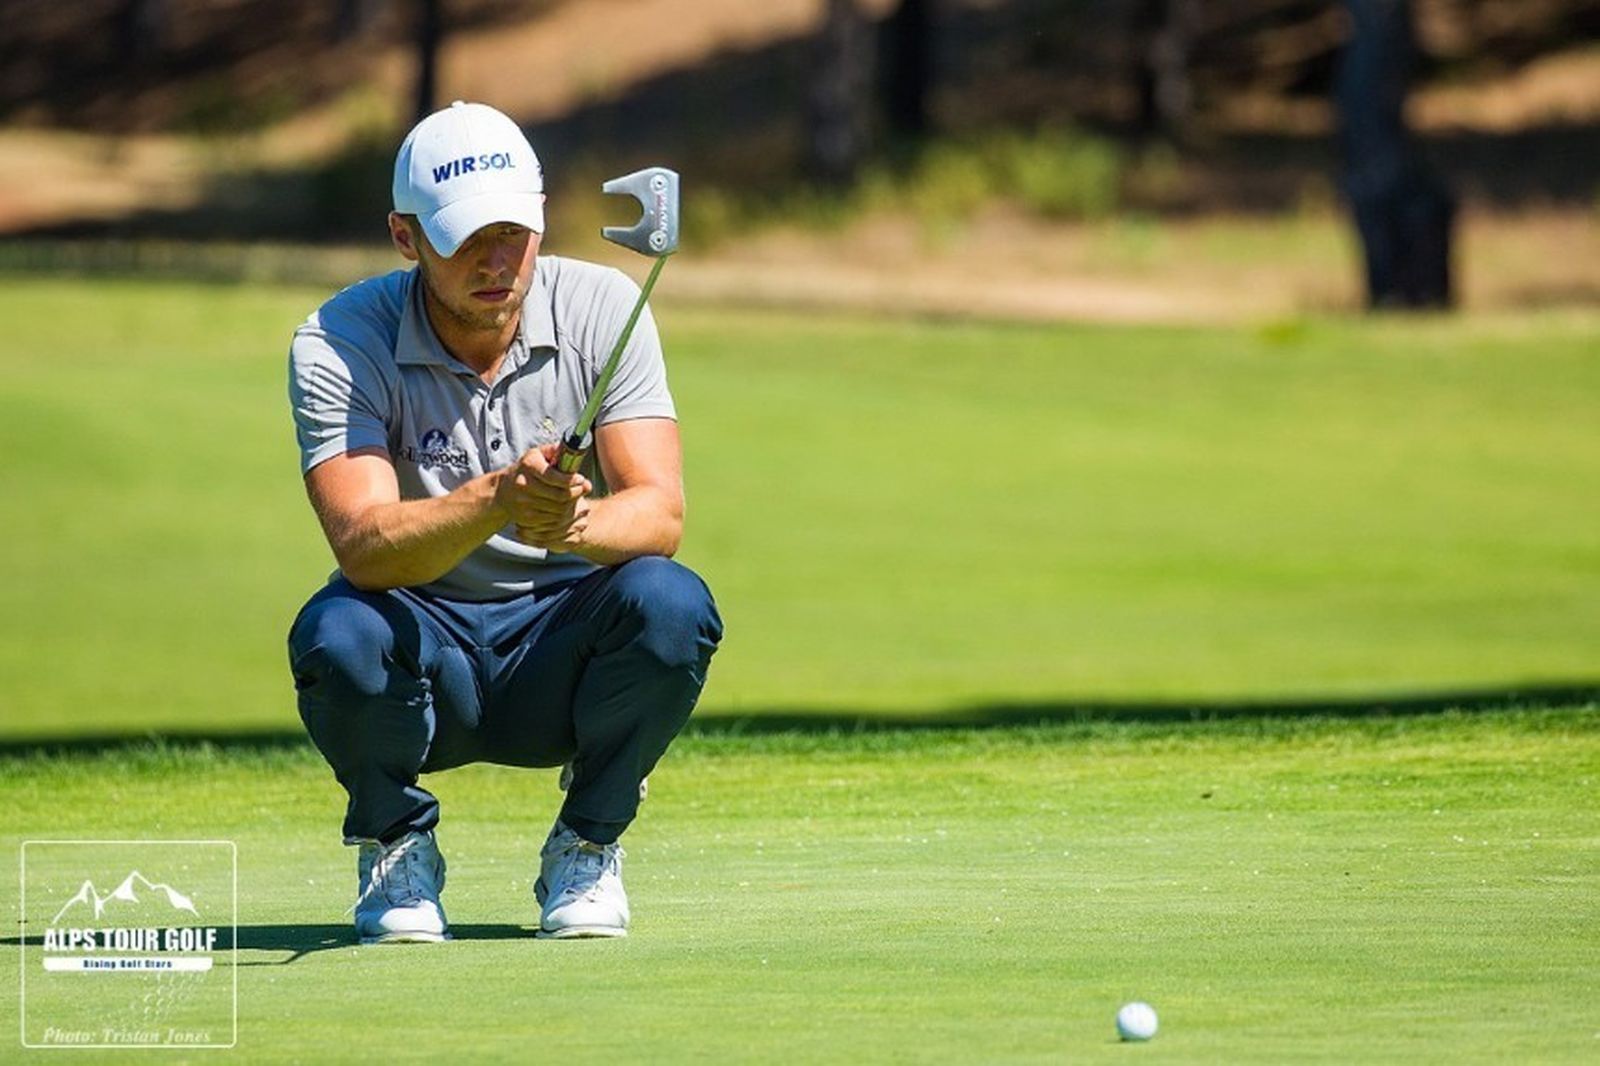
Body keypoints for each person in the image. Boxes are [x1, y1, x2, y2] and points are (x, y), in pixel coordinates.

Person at [285, 101, 723, 944]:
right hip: (421, 651)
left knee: (671, 603)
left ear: (542, 217)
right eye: (464, 237)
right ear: (405, 237)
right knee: (335, 631)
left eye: (514, 232)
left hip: (560, 652)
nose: (496, 260)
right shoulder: (339, 338)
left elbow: (659, 513)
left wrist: (571, 525)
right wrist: (496, 499)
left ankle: (587, 843)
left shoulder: (603, 305)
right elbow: (363, 546)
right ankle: (396, 846)